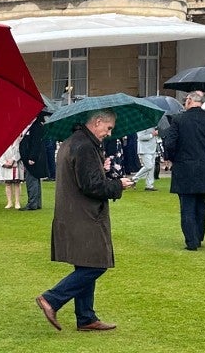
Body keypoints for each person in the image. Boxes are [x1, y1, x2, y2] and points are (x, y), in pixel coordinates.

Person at [35, 109, 132, 333]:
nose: (109, 133)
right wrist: (119, 184)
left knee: (86, 261)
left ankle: (86, 317)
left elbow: (85, 176)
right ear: (97, 122)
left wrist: (101, 168)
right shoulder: (86, 146)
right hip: (84, 214)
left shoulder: (74, 141)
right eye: (108, 128)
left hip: (72, 212)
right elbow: (92, 186)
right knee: (97, 263)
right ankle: (52, 298)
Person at [162, 91, 205, 251]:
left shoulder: (179, 120)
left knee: (187, 204)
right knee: (200, 202)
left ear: (189, 101)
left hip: (185, 166)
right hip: (204, 166)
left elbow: (170, 143)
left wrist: (172, 158)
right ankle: (198, 236)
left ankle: (192, 240)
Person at [19, 115, 49, 210]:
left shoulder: (36, 127)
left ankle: (32, 203)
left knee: (31, 180)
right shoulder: (35, 126)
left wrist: (32, 157)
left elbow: (36, 143)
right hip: (32, 157)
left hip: (33, 158)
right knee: (34, 180)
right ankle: (36, 203)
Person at [0, 132, 25, 210]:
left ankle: (17, 202)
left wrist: (13, 160)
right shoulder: (2, 142)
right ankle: (9, 202)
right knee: (8, 183)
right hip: (5, 164)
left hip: (15, 165)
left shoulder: (18, 141)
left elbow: (19, 152)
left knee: (17, 183)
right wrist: (3, 163)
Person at [133, 126, 159, 191]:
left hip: (152, 148)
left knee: (152, 168)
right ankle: (134, 179)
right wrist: (152, 134)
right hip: (144, 149)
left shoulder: (154, 125)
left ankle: (149, 185)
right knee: (149, 166)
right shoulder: (142, 125)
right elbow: (140, 137)